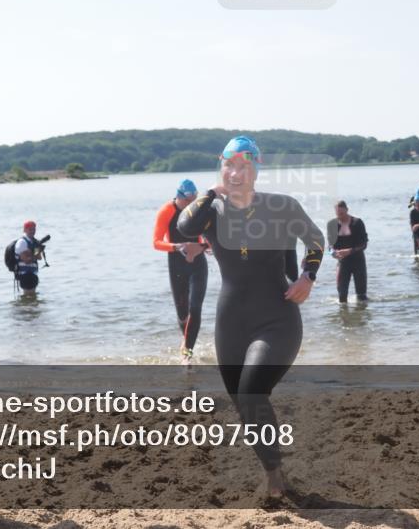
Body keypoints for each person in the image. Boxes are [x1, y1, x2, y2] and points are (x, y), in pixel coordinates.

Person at [177, 136, 324, 498]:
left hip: (277, 317)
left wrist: (307, 277)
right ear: (221, 166)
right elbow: (184, 227)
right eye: (230, 165)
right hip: (231, 321)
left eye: (244, 166)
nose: (236, 173)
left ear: (256, 169)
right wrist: (210, 194)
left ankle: (274, 482)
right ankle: (275, 473)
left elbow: (317, 240)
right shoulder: (210, 208)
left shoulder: (281, 206)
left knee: (252, 391)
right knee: (245, 403)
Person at [152, 179, 209, 364]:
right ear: (178, 196)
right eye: (187, 201)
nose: (190, 205)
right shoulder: (166, 211)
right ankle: (186, 341)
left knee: (195, 307)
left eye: (194, 200)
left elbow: (211, 237)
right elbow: (156, 243)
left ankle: (188, 354)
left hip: (198, 262)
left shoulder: (198, 210)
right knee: (182, 313)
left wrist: (203, 246)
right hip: (177, 263)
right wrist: (178, 247)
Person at [326, 200, 369, 303]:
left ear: (347, 210)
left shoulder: (357, 223)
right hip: (343, 262)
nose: (340, 216)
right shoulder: (332, 224)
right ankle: (344, 317)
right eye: (337, 214)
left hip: (358, 261)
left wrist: (350, 251)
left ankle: (360, 318)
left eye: (342, 213)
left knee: (361, 297)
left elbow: (364, 244)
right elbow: (330, 246)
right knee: (342, 296)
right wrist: (332, 253)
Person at [14, 221, 44, 296]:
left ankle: (28, 307)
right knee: (28, 295)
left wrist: (35, 251)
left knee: (33, 298)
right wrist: (34, 254)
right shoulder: (22, 242)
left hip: (33, 273)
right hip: (25, 274)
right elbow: (26, 260)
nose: (32, 231)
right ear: (25, 230)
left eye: (34, 229)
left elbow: (39, 257)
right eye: (30, 229)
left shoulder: (35, 242)